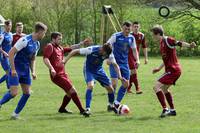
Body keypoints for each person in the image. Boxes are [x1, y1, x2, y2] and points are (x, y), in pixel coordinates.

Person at [0, 22, 47, 120]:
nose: (44, 35)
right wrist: (12, 69)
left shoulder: (37, 43)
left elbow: (33, 58)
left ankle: (15, 114)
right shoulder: (25, 40)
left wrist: (33, 71)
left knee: (27, 93)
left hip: (25, 71)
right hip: (16, 69)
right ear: (39, 32)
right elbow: (11, 53)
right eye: (44, 33)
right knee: (13, 93)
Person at [64, 44, 124, 116]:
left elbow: (115, 65)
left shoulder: (109, 54)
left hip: (99, 70)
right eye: (104, 53)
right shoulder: (91, 50)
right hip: (89, 70)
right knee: (90, 86)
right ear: (102, 49)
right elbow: (75, 51)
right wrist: (65, 60)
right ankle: (87, 109)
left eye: (106, 54)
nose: (105, 55)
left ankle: (111, 106)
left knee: (110, 89)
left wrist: (120, 76)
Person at [151, 25, 196, 118]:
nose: (153, 37)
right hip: (172, 70)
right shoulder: (161, 43)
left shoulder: (168, 40)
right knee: (164, 89)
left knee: (156, 86)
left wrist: (190, 45)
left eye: (153, 35)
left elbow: (179, 43)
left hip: (173, 70)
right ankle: (172, 110)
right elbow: (165, 59)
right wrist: (159, 68)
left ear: (158, 34)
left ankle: (165, 109)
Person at [43, 32, 91, 117]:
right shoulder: (50, 46)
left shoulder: (59, 48)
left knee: (69, 93)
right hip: (57, 75)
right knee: (73, 91)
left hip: (63, 74)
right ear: (53, 39)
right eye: (59, 39)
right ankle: (82, 110)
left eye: (61, 39)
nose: (60, 41)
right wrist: (52, 69)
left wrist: (81, 43)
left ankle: (62, 109)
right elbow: (45, 59)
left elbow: (71, 48)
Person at [107, 21, 140, 112]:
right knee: (114, 84)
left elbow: (134, 50)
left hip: (125, 64)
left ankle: (116, 103)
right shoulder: (116, 36)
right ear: (122, 28)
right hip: (114, 63)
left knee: (126, 84)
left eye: (129, 29)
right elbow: (107, 45)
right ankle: (110, 104)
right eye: (125, 29)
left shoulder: (131, 38)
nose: (127, 31)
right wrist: (108, 58)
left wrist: (137, 60)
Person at [127, 21, 148, 94]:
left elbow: (144, 47)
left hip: (136, 56)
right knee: (134, 71)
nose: (136, 28)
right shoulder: (129, 35)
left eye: (137, 26)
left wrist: (146, 58)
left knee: (132, 73)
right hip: (129, 55)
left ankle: (128, 88)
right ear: (132, 27)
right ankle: (137, 88)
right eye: (134, 26)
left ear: (139, 27)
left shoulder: (142, 35)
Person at [0, 20, 13, 89]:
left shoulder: (11, 34)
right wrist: (4, 53)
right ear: (5, 26)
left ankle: (9, 87)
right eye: (7, 26)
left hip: (9, 57)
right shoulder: (2, 35)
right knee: (9, 72)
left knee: (9, 72)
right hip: (3, 57)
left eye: (10, 25)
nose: (9, 27)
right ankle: (9, 87)